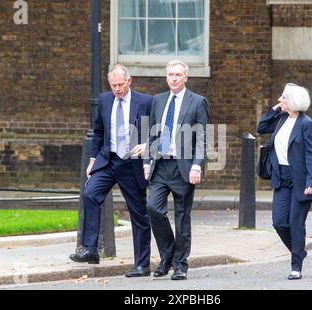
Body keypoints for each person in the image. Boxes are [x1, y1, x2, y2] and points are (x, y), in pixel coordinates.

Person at [69, 64, 153, 278]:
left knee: (139, 213)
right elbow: (98, 132)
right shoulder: (105, 100)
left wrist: (148, 155)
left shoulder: (144, 102)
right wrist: (92, 160)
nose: (116, 89)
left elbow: (156, 130)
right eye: (113, 85)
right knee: (90, 194)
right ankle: (90, 249)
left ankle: (142, 265)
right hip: (108, 160)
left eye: (120, 85)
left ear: (129, 81)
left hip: (131, 163)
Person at [144, 60, 210, 281]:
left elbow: (201, 137)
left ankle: (180, 264)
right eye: (170, 74)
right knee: (153, 208)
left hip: (183, 167)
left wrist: (196, 165)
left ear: (185, 78)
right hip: (161, 164)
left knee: (182, 217)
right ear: (166, 77)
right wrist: (146, 161)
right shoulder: (158, 100)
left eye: (178, 75)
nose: (173, 78)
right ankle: (168, 256)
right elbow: (152, 134)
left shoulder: (198, 102)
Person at [257, 83, 312, 280]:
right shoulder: (280, 118)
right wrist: (275, 110)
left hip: (301, 180)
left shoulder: (306, 124)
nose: (279, 100)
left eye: (283, 98)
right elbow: (261, 127)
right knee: (279, 222)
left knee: (295, 223)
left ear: (292, 102)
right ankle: (299, 250)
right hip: (281, 178)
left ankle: (296, 266)